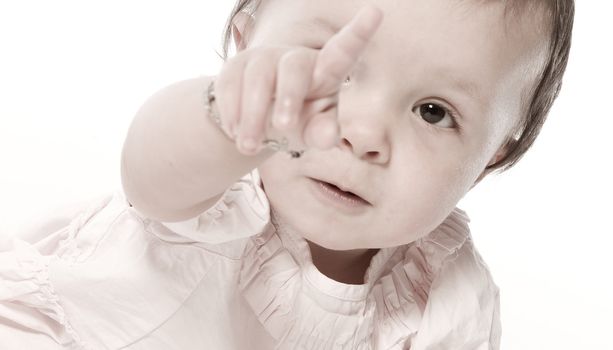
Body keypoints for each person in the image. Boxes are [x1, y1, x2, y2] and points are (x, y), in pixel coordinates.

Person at [0, 0, 574, 348]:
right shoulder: (222, 178)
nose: (363, 134)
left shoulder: (451, 301)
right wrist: (227, 119)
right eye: (334, 70)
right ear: (245, 48)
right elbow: (148, 178)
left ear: (492, 156)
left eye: (434, 112)